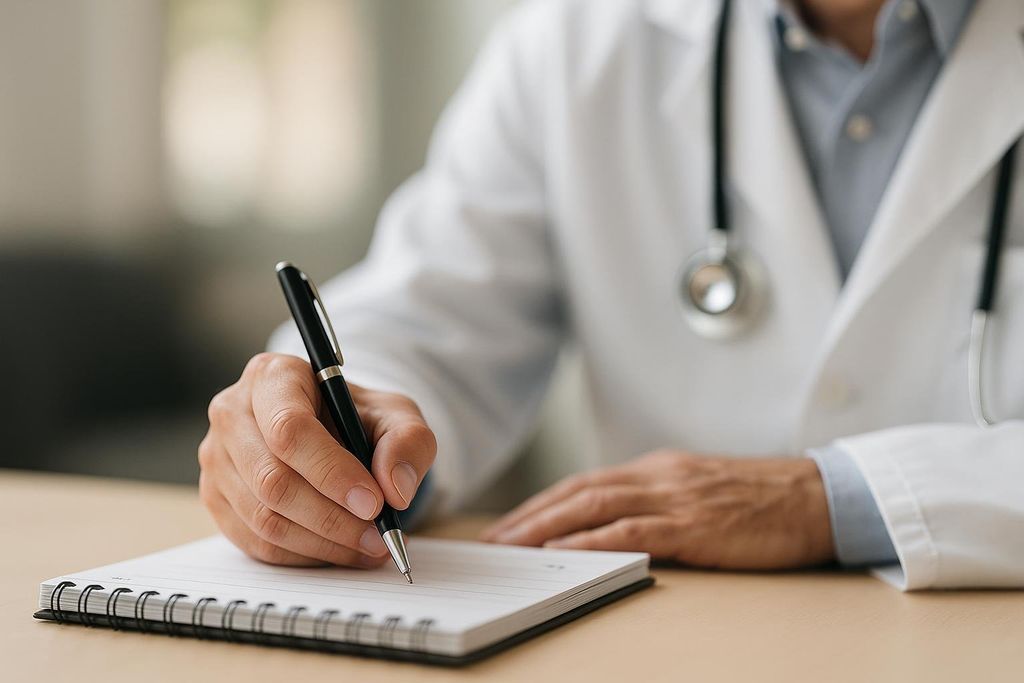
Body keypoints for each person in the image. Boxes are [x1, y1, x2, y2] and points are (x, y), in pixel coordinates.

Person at [198, 0, 1024, 590]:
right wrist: (324, 434)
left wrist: (831, 501)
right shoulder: (575, 41)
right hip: (670, 641)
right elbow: (426, 322)